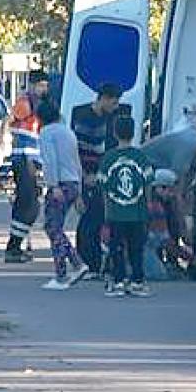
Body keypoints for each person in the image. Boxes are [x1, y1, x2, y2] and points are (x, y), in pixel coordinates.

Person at [98, 116, 154, 298]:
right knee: (136, 248)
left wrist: (107, 211)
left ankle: (119, 280)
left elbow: (104, 187)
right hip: (137, 212)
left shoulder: (108, 158)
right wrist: (148, 206)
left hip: (115, 212)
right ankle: (138, 280)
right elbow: (147, 184)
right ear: (134, 132)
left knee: (116, 248)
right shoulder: (140, 157)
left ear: (114, 133)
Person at [71, 83, 122, 274]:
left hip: (99, 176)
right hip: (86, 175)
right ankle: (87, 262)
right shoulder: (84, 117)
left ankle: (93, 262)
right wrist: (84, 176)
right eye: (113, 102)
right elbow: (79, 150)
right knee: (89, 220)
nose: (115, 107)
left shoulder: (110, 118)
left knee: (98, 218)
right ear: (104, 98)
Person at [38, 100, 88, 290]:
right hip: (73, 183)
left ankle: (66, 270)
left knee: (53, 227)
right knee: (55, 227)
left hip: (60, 184)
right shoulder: (68, 132)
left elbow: (50, 160)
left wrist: (53, 185)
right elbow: (77, 162)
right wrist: (80, 193)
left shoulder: (47, 133)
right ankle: (72, 266)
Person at [2, 70, 50, 263]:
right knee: (30, 207)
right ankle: (13, 247)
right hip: (23, 159)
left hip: (30, 159)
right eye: (41, 85)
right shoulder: (25, 103)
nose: (44, 89)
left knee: (25, 205)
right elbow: (8, 121)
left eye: (46, 85)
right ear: (32, 85)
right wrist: (3, 143)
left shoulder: (39, 104)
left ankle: (15, 247)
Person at [143, 169, 191, 281]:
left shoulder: (166, 205)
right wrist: (190, 257)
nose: (172, 194)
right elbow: (165, 241)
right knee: (159, 276)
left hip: (149, 247)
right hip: (142, 248)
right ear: (158, 188)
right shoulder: (154, 207)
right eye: (170, 189)